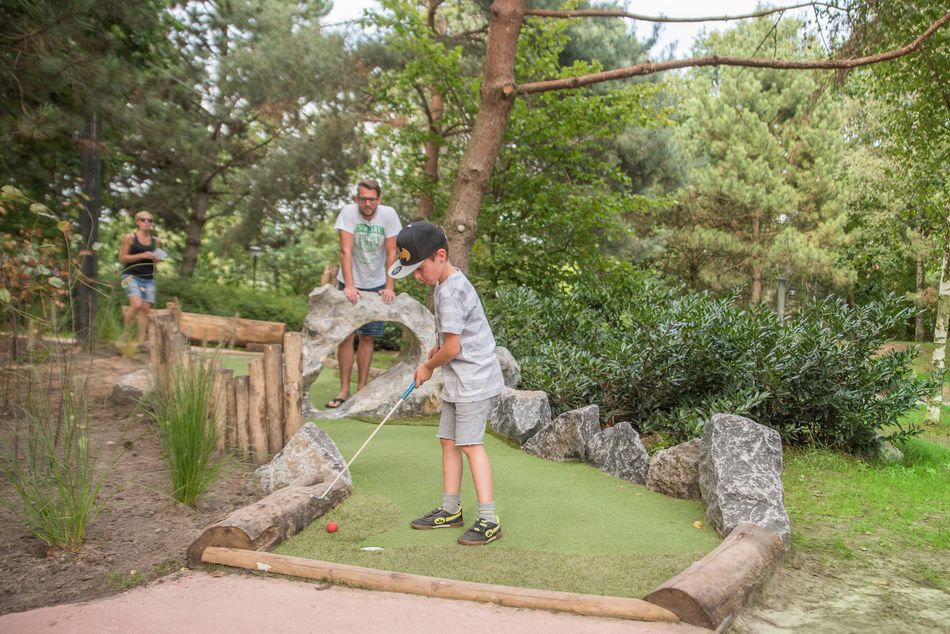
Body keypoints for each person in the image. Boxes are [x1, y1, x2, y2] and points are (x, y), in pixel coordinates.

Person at [389, 221, 505, 546]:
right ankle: (451, 510)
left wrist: (428, 365)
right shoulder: (443, 284)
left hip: (473, 380)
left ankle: (488, 519)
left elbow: (454, 348)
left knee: (469, 444)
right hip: (460, 379)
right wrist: (436, 349)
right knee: (448, 441)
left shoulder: (450, 292)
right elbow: (452, 339)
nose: (416, 276)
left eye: (419, 268)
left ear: (440, 255)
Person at [326, 178, 402, 409]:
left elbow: (392, 253)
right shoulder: (348, 213)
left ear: (378, 199)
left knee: (368, 337)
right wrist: (350, 285)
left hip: (377, 283)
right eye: (363, 199)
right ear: (356, 199)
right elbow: (345, 250)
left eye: (371, 199)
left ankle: (361, 389)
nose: (367, 203)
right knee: (347, 336)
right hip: (350, 280)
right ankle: (344, 390)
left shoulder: (388, 215)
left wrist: (389, 285)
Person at [118, 211, 163, 348]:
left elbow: (158, 260)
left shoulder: (157, 241)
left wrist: (156, 258)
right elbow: (122, 258)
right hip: (130, 275)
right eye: (143, 220)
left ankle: (140, 342)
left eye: (149, 220)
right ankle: (124, 334)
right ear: (137, 221)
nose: (146, 222)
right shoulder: (130, 237)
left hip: (148, 278)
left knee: (144, 310)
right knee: (136, 305)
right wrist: (143, 254)